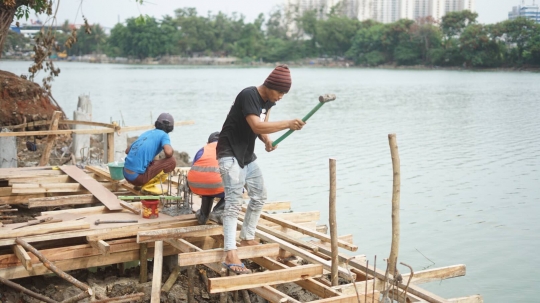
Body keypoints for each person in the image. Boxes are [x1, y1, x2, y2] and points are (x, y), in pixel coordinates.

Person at [217, 64, 305, 274]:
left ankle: (247, 238)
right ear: (270, 86)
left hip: (246, 155)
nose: (282, 96)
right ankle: (230, 253)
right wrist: (287, 124)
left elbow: (260, 129)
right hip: (229, 153)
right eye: (280, 92)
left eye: (285, 93)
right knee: (233, 204)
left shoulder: (268, 101)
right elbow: (256, 125)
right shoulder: (249, 95)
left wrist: (267, 140)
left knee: (259, 196)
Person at [123, 113, 177, 190]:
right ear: (170, 128)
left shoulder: (147, 133)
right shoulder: (164, 135)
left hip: (126, 174)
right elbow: (168, 153)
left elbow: (127, 151)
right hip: (136, 178)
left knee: (152, 161)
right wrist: (171, 150)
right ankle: (148, 187)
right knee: (172, 161)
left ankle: (141, 183)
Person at [187, 131, 225, 225]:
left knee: (207, 184)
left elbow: (194, 168)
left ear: (208, 143)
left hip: (195, 185)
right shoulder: (226, 148)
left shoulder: (202, 150)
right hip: (216, 184)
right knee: (238, 188)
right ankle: (218, 212)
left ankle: (203, 216)